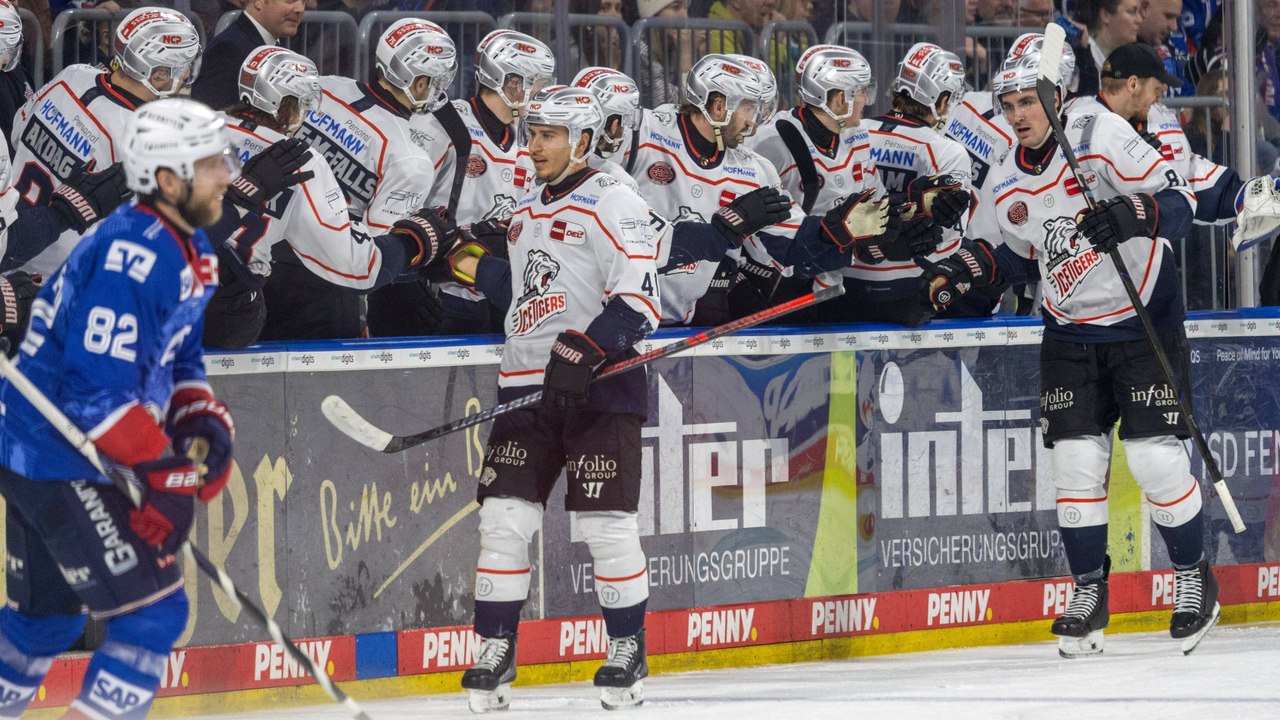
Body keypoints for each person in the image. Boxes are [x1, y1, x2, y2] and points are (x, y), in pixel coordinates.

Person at [924, 46, 1220, 657]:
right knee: (1074, 466)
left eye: (1029, 101)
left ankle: (1194, 578)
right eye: (1008, 105)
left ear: (1057, 95)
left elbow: (1179, 204)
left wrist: (1131, 213)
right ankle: (1089, 590)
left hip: (1142, 320)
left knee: (1156, 462)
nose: (1018, 114)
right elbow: (1013, 257)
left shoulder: (1097, 130)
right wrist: (961, 268)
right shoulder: (1006, 176)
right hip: (1068, 330)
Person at [0, 97, 238, 719]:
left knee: (45, 622)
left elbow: (176, 358)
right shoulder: (131, 256)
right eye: (212, 163)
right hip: (56, 453)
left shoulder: (189, 249)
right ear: (167, 180)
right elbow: (92, 392)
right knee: (155, 614)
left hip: (47, 449)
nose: (228, 174)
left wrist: (200, 417)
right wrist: (163, 469)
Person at [450, 87, 660, 713]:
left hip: (600, 388)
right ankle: (495, 647)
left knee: (604, 525)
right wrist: (447, 260)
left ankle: (627, 648)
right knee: (503, 521)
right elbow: (521, 290)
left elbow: (640, 298)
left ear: (584, 141)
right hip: (523, 386)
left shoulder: (615, 199)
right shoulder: (526, 207)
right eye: (532, 131)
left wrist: (588, 350)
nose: (533, 143)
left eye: (548, 134)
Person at [205, 46, 462, 348]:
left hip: (176, 283)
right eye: (302, 102)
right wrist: (413, 243)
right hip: (244, 302)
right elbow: (358, 266)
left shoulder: (200, 126)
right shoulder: (303, 160)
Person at [625, 52, 895, 327]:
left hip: (684, 316)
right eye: (748, 109)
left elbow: (793, 240)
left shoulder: (755, 170)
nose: (753, 123)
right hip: (618, 312)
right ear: (719, 106)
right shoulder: (642, 131)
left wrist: (834, 232)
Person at [268, 18, 458, 341]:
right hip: (327, 283)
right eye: (436, 81)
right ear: (420, 83)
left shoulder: (322, 87)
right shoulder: (412, 160)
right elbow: (373, 255)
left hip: (266, 257)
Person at [9, 7, 202, 277]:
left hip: (11, 240)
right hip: (58, 277)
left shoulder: (72, 75)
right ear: (158, 75)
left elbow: (18, 130)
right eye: (183, 67)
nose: (185, 76)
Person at [420, 29, 553, 337]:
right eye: (539, 85)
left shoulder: (527, 138)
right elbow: (406, 207)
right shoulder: (445, 123)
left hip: (501, 290)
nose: (542, 96)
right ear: (513, 83)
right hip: (446, 292)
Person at [854, 42, 978, 325]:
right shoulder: (946, 150)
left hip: (849, 283)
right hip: (907, 293)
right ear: (942, 99)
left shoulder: (856, 131)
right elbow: (950, 241)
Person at [1066, 43, 1245, 227]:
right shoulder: (1077, 121)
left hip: (1151, 249)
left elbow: (1187, 172)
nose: (1159, 99)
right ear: (1133, 84)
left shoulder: (1158, 117)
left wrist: (1240, 195)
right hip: (1092, 249)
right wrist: (1128, 162)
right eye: (1157, 90)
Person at [190, 0, 305, 111]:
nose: (300, 8)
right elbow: (210, 117)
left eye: (304, 1)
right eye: (290, 0)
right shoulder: (230, 49)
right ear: (257, 1)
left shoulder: (264, 46)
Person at [1074, 0, 1143, 88]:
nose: (1139, 20)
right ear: (1106, 15)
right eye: (1132, 12)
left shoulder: (1124, 62)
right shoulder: (1079, 57)